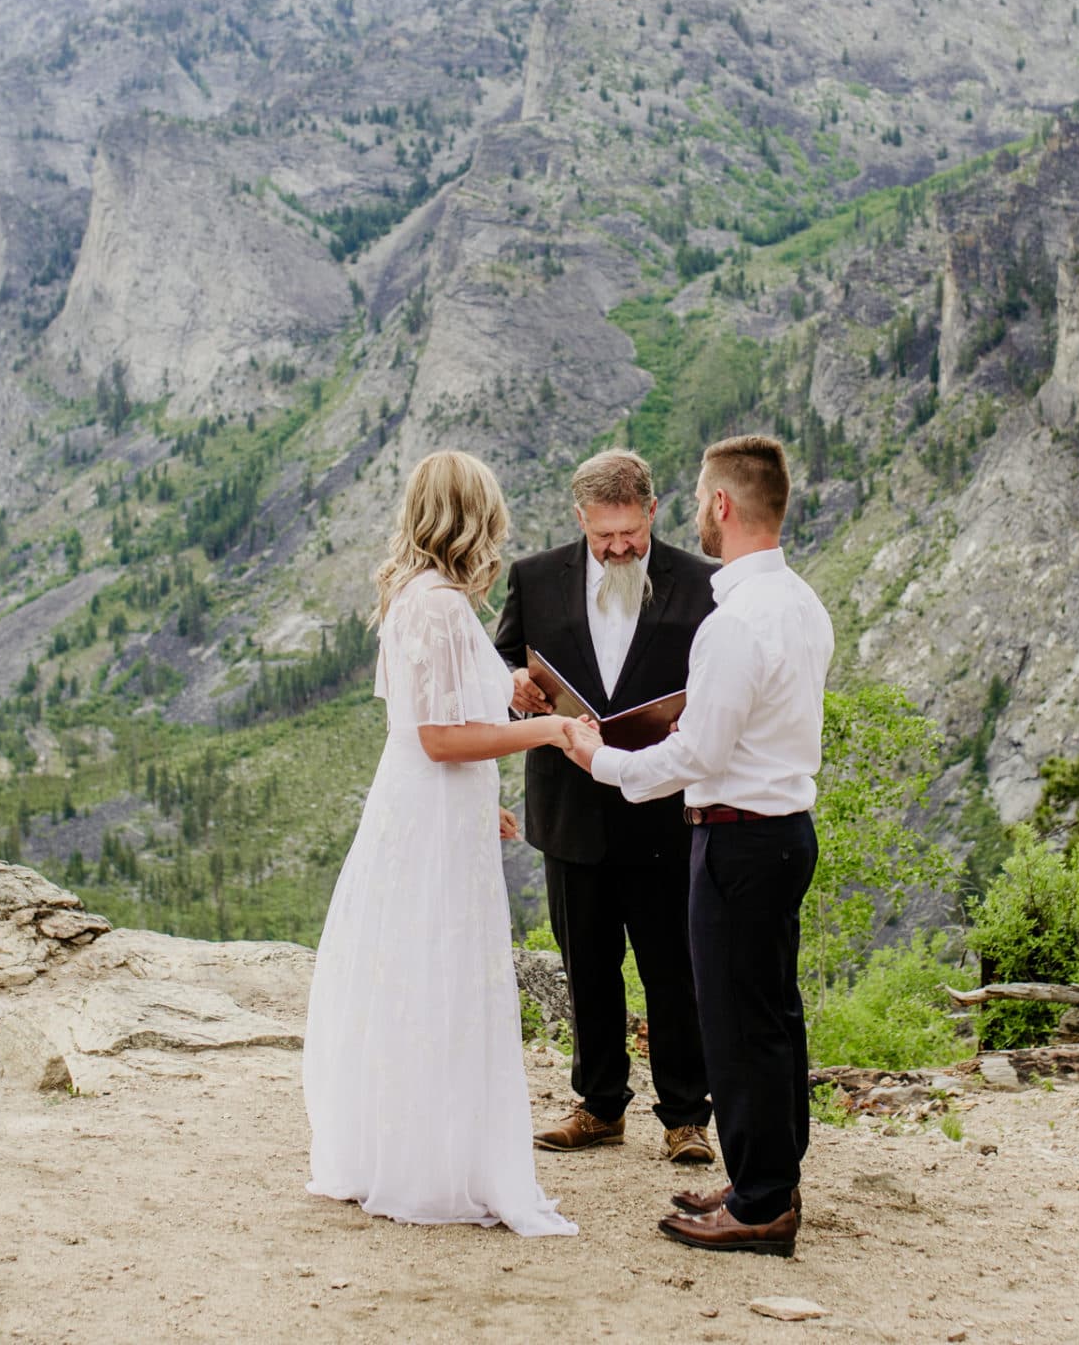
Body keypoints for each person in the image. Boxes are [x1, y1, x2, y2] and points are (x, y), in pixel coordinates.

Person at [560, 434, 832, 1258]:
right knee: (773, 1013)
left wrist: (597, 758)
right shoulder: (802, 602)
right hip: (785, 831)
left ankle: (759, 1206)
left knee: (737, 1024)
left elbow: (697, 757)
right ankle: (770, 1174)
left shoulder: (734, 621)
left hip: (737, 839)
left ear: (721, 505)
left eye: (698, 503)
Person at [303, 450, 578, 1237]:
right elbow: (439, 736)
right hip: (432, 806)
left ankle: (400, 1144)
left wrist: (479, 794)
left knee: (412, 968)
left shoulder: (414, 596)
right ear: (473, 519)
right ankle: (433, 1163)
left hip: (426, 807)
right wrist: (549, 729)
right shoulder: (442, 607)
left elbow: (430, 732)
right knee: (440, 972)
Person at [492, 449, 717, 1167]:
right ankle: (598, 1106)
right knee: (586, 964)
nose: (619, 548)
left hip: (665, 809)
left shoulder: (705, 584)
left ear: (652, 510)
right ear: (580, 518)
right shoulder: (533, 578)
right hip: (569, 809)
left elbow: (724, 680)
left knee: (673, 969)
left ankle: (686, 1117)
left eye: (630, 533)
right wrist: (515, 690)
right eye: (603, 536)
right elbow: (499, 662)